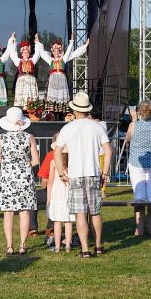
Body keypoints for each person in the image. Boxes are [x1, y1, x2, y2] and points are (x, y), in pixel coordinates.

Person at [52, 92, 112, 258]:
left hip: (76, 175)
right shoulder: (97, 127)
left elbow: (57, 152)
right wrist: (105, 172)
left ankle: (85, 249)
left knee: (80, 214)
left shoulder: (68, 128)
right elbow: (108, 150)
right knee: (95, 212)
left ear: (75, 110)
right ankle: (98, 246)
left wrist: (61, 173)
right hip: (93, 173)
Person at [0, 107, 40, 254]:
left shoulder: (0, 138)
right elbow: (36, 160)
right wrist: (24, 165)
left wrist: (10, 164)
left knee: (8, 213)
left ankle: (9, 246)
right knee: (24, 212)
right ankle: (22, 245)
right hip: (25, 177)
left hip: (7, 177)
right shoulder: (29, 137)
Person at [124, 100, 151, 237]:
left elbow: (128, 138)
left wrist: (134, 120)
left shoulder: (133, 125)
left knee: (139, 197)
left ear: (139, 111)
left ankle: (139, 229)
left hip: (137, 162)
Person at [40, 37, 88, 117]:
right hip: (53, 81)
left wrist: (73, 43)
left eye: (58, 50)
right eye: (55, 51)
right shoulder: (50, 60)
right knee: (53, 97)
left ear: (60, 51)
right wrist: (38, 44)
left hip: (62, 81)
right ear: (52, 51)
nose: (56, 52)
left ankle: (62, 114)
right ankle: (52, 114)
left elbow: (71, 52)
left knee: (61, 97)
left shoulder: (64, 59)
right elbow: (43, 54)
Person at [44, 145, 75, 252]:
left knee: (57, 221)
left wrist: (48, 198)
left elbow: (50, 182)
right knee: (68, 220)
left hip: (57, 192)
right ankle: (68, 245)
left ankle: (57, 247)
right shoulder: (73, 163)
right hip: (69, 191)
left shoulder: (53, 162)